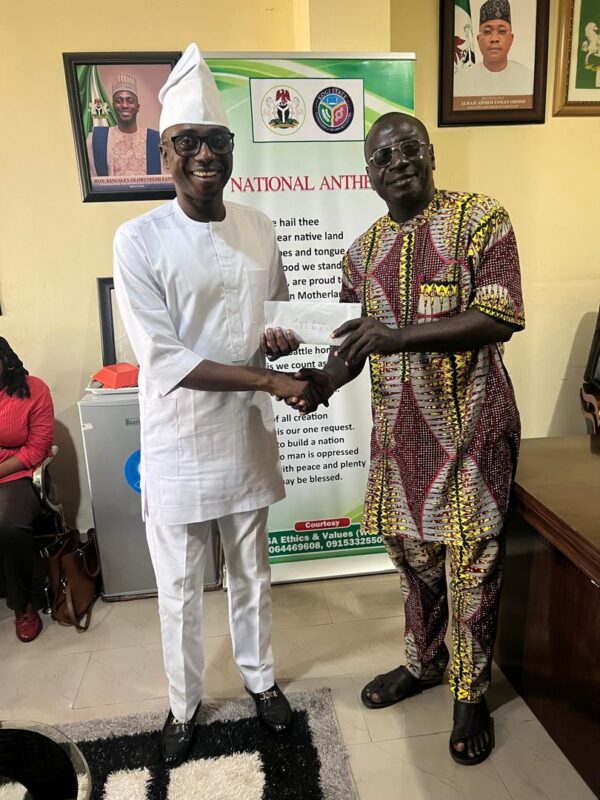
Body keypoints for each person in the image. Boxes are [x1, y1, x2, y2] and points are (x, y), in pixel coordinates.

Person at [291, 112, 525, 765]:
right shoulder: (360, 254)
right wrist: (320, 383)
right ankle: (425, 662)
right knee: (412, 558)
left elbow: (500, 315)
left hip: (472, 431)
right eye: (382, 156)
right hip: (400, 443)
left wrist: (398, 336)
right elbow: (353, 346)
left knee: (471, 565)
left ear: (430, 153)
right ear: (367, 174)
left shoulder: (480, 219)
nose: (397, 162)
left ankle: (469, 695)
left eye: (408, 148)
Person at [113, 43, 314, 767]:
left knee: (252, 570)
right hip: (178, 438)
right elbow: (163, 358)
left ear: (232, 149)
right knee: (178, 586)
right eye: (187, 141)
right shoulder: (138, 239)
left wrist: (279, 342)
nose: (204, 154)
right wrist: (267, 382)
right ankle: (183, 704)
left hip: (244, 435)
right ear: (164, 153)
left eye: (217, 141)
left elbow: (270, 316)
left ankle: (261, 680)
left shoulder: (259, 226)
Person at [0, 338, 54, 643]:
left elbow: (38, 447)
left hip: (17, 476)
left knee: (9, 524)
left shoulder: (33, 390)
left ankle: (22, 606)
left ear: (4, 361)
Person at [86, 73, 161, 177]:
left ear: (137, 107)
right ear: (113, 106)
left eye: (130, 101)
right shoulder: (97, 139)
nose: (124, 105)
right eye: (119, 101)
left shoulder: (155, 140)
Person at [454, 0, 533, 97]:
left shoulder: (528, 79)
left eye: (502, 31)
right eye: (487, 32)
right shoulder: (460, 81)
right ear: (478, 39)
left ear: (511, 39)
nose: (494, 39)